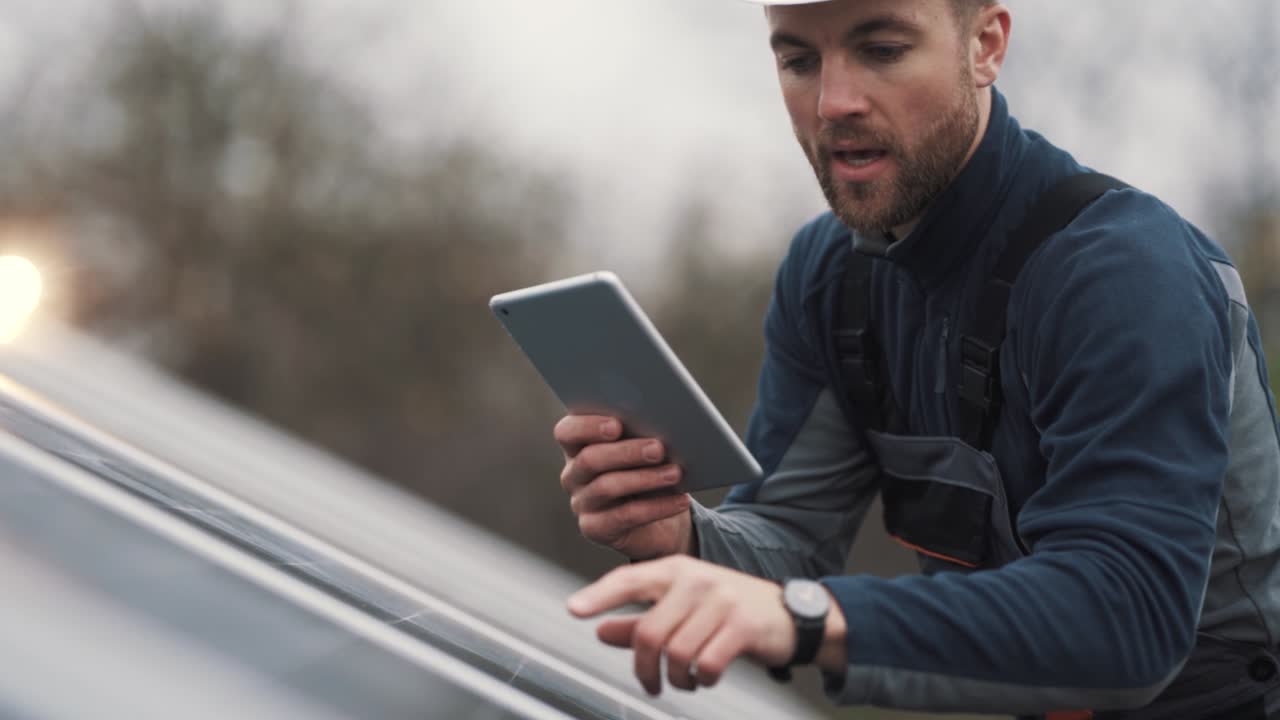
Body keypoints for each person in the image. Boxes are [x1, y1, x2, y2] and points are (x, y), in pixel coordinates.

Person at [555, 1, 1280, 718]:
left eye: (882, 50)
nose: (834, 102)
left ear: (985, 46)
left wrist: (810, 619)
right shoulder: (829, 277)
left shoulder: (1122, 272)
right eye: (799, 60)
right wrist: (683, 537)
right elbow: (787, 541)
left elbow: (1131, 620)